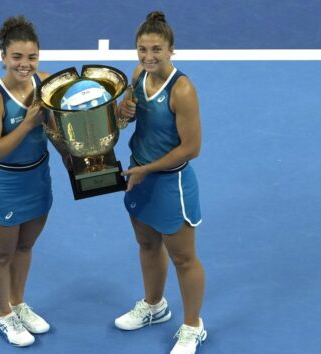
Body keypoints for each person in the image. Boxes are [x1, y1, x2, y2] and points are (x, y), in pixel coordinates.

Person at [114, 11, 207, 354]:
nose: (148, 56)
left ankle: (193, 326)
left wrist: (147, 169)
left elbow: (191, 148)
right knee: (147, 244)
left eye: (156, 49)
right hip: (138, 175)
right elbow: (128, 120)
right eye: (142, 49)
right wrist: (124, 114)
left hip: (169, 183)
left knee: (184, 258)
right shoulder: (138, 75)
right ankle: (155, 306)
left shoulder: (182, 90)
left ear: (171, 50)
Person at [0, 15, 56, 347]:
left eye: (31, 57)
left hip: (38, 179)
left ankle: (18, 303)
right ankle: (2, 314)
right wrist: (27, 123)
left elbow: (61, 130)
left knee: (25, 246)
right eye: (17, 57)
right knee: (2, 254)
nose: (25, 64)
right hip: (4, 186)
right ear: (4, 57)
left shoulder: (45, 84)